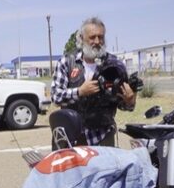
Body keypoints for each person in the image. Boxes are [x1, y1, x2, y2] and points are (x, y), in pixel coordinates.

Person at [50, 17, 136, 147]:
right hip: (72, 138)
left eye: (101, 37)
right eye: (92, 37)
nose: (97, 41)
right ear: (81, 38)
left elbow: (123, 105)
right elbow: (56, 97)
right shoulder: (66, 62)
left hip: (102, 137)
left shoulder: (115, 65)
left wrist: (130, 100)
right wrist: (80, 92)